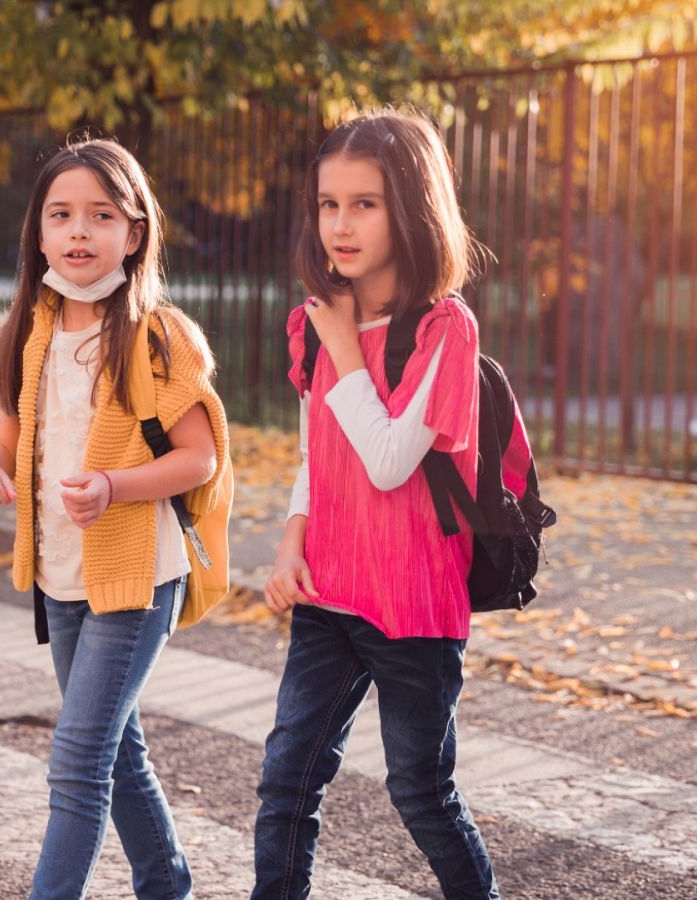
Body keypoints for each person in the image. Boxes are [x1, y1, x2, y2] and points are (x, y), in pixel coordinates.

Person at [0, 137, 230, 900]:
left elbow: (199, 459)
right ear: (39, 235)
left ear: (133, 233)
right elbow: (3, 448)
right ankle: (167, 886)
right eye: (62, 215)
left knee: (78, 757)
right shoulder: (26, 337)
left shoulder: (157, 336)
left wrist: (114, 485)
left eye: (101, 215)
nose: (80, 232)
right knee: (118, 749)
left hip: (139, 575)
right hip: (62, 577)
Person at [252, 107, 500, 900]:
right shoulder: (316, 324)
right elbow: (315, 457)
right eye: (329, 204)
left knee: (420, 793)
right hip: (328, 589)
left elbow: (392, 461)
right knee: (287, 783)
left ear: (414, 208)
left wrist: (348, 353)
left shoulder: (444, 331)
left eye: (366, 203)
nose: (341, 225)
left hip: (415, 603)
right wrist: (292, 543)